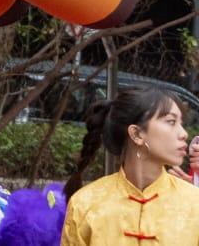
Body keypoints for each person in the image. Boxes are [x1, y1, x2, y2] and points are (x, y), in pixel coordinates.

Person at [61, 85, 199, 243]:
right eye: (171, 122)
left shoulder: (194, 203)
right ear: (137, 134)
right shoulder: (85, 204)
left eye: (181, 123)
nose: (184, 134)